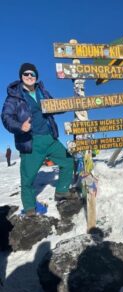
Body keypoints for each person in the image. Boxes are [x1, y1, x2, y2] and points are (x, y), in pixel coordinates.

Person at [1, 63, 75, 216]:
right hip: (30, 141)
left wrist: (71, 104)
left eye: (32, 74)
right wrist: (20, 126)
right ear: (21, 77)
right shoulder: (14, 96)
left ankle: (61, 191)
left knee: (68, 161)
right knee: (28, 177)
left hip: (49, 137)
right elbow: (6, 117)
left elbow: (55, 106)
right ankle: (29, 208)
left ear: (36, 77)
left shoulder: (42, 91)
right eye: (26, 74)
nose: (29, 76)